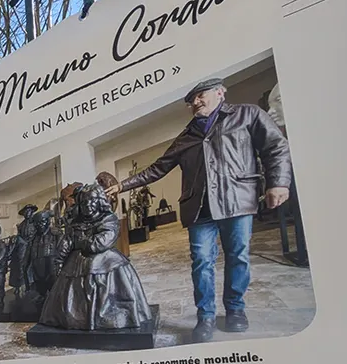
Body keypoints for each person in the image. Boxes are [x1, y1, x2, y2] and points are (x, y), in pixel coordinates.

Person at [98, 77, 292, 343]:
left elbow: (275, 146)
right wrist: (122, 185)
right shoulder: (186, 137)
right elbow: (157, 169)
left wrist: (278, 182)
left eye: (200, 96)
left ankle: (235, 309)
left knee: (239, 257)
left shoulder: (247, 115)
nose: (195, 103)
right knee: (202, 263)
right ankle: (206, 315)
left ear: (220, 93)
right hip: (199, 208)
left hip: (236, 200)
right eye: (191, 101)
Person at [39, 183, 153, 331]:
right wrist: (60, 259)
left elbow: (99, 244)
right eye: (84, 202)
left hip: (106, 263)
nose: (88, 205)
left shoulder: (109, 220)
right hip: (77, 265)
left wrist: (79, 241)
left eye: (92, 200)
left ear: (100, 201)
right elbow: (67, 242)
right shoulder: (76, 222)